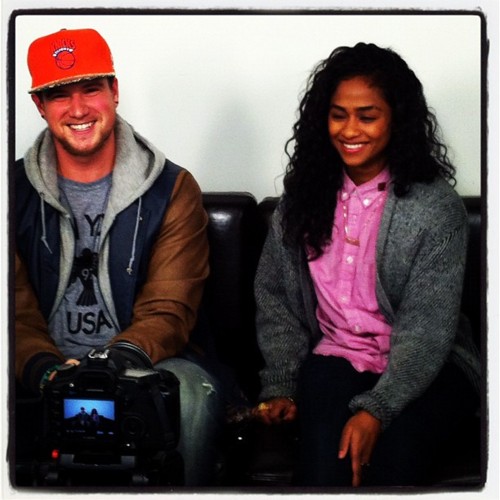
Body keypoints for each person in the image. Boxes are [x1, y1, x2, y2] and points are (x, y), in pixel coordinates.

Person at [253, 42, 481, 487]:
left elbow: (426, 331)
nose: (350, 130)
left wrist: (377, 409)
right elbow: (275, 297)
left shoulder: (435, 209)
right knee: (326, 461)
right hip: (337, 355)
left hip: (429, 365)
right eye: (338, 115)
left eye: (367, 116)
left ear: (397, 119)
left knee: (394, 457)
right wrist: (280, 383)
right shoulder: (301, 201)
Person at [14, 28, 224, 486]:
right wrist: (45, 369)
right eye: (59, 94)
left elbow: (169, 309)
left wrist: (112, 363)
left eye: (91, 88)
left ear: (114, 91)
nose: (78, 109)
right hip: (42, 365)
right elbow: (12, 307)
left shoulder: (171, 188)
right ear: (39, 106)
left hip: (147, 361)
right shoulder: (11, 193)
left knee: (192, 395)